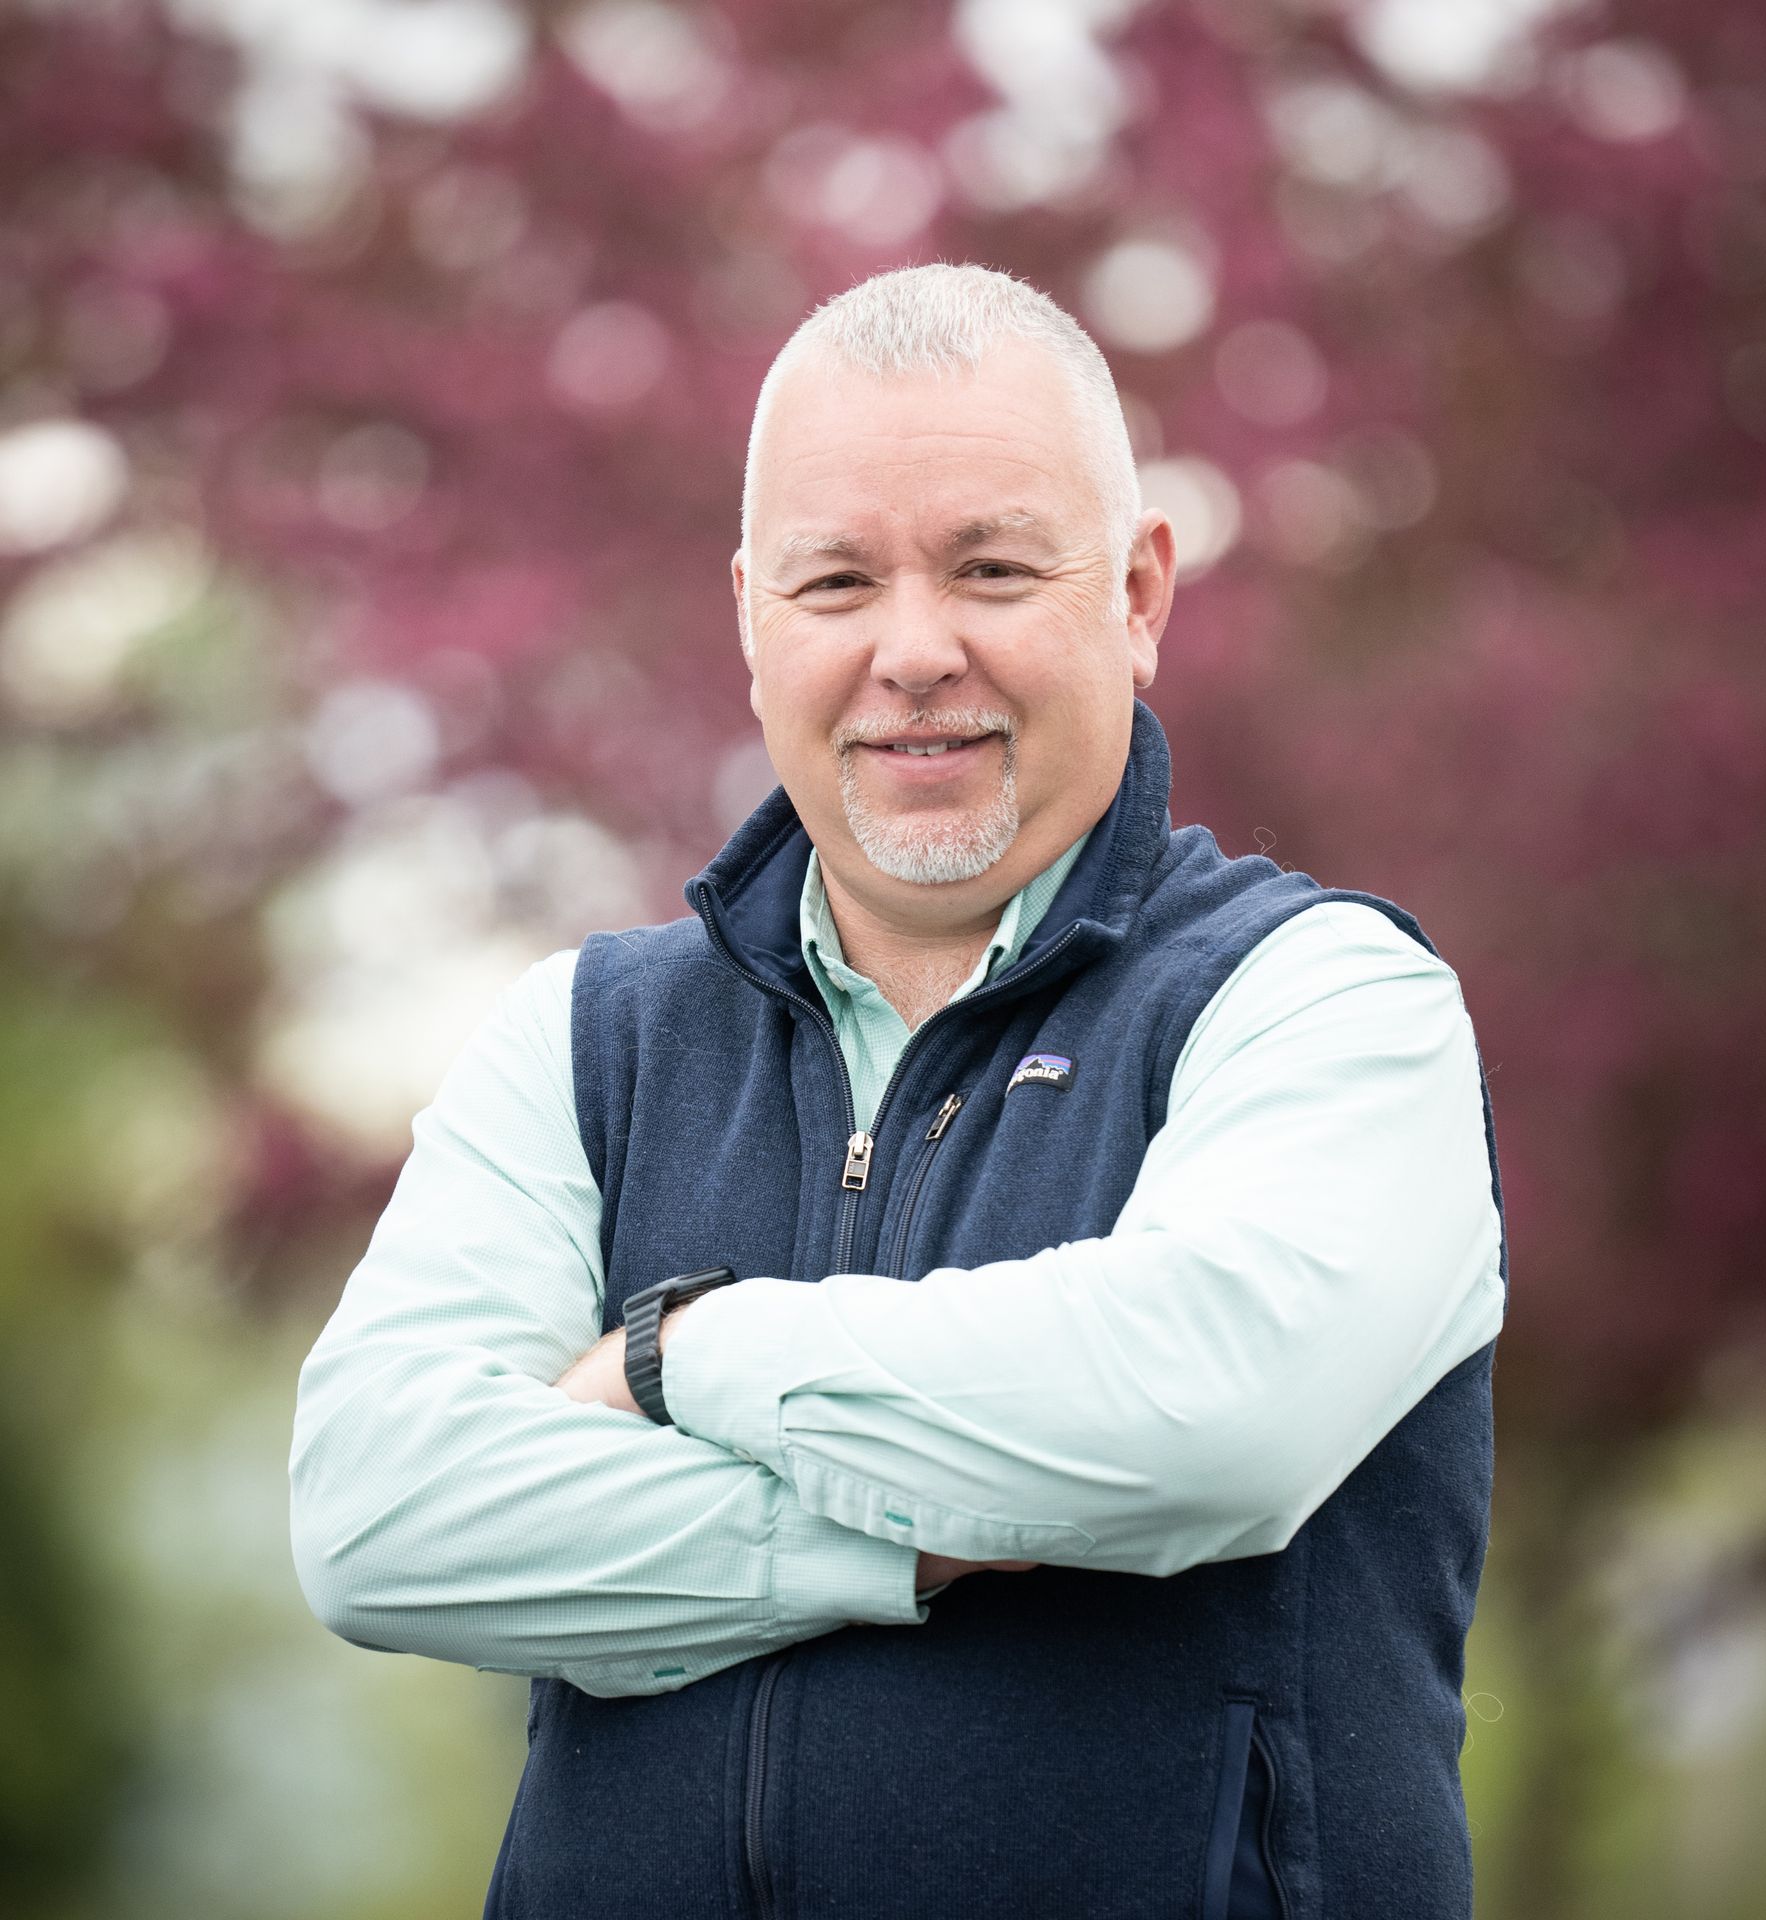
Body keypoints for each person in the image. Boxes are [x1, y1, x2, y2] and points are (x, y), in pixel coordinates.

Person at [289, 262, 1509, 1920]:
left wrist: (681, 1355)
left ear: (1141, 593)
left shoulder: (1327, 1005)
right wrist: (897, 1546)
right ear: (749, 618)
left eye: (993, 569)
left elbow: (1200, 1423)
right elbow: (382, 1516)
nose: (913, 650)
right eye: (837, 581)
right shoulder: (581, 1040)